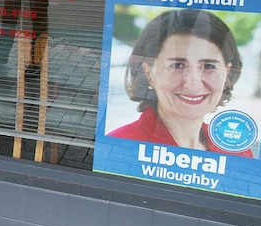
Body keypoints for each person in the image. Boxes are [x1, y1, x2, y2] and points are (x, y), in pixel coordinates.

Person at [107, 8, 253, 156]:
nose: (193, 84)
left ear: (226, 73)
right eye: (177, 65)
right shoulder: (118, 147)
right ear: (148, 72)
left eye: (209, 66)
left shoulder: (238, 152)